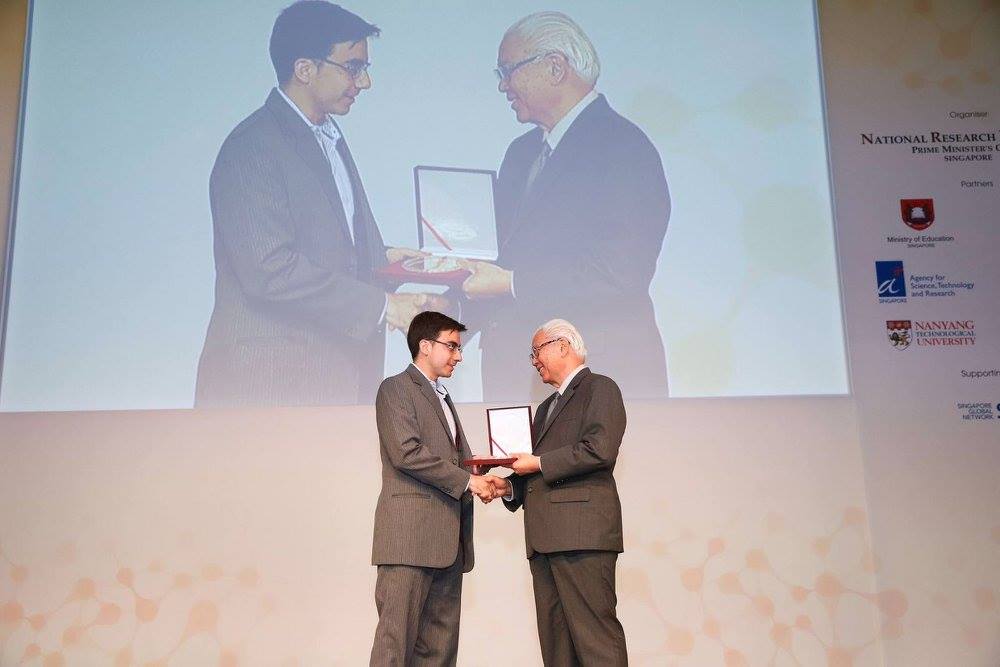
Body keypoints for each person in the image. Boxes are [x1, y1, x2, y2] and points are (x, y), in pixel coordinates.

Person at [195, 1, 435, 407]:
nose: (365, 82)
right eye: (353, 67)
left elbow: (332, 249)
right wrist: (384, 307)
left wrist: (396, 262)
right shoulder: (252, 146)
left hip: (333, 377)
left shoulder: (329, 137)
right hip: (267, 385)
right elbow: (270, 269)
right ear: (305, 69)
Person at [461, 11, 670, 402]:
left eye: (508, 71)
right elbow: (503, 260)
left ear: (556, 67)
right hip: (516, 380)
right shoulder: (521, 154)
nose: (503, 86)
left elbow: (619, 273)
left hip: (599, 378)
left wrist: (510, 283)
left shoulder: (625, 148)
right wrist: (447, 320)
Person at [492, 318, 628, 665]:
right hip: (543, 540)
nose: (534, 360)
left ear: (562, 346)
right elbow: (535, 471)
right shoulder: (545, 407)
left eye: (536, 351)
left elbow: (599, 449)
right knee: (557, 649)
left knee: (595, 642)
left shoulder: (600, 388)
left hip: (582, 537)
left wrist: (536, 463)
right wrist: (507, 487)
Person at [370, 311, 501, 665]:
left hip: (449, 543)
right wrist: (469, 480)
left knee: (440, 651)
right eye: (453, 346)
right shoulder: (395, 388)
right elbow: (406, 453)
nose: (459, 356)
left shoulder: (443, 396)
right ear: (425, 346)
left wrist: (490, 472)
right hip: (409, 541)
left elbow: (458, 461)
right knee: (394, 646)